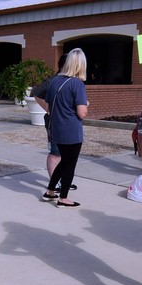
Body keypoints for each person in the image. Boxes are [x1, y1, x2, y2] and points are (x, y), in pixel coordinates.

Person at [41, 49, 88, 208]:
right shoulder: (77, 83)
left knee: (63, 162)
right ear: (81, 65)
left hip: (56, 128)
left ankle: (50, 191)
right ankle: (64, 197)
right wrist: (85, 106)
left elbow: (48, 106)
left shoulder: (55, 81)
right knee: (70, 164)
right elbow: (81, 113)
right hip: (72, 130)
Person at [33, 54, 76, 191]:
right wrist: (48, 109)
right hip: (55, 122)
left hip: (68, 122)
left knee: (66, 153)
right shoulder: (54, 81)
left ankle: (63, 180)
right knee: (56, 152)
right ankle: (54, 181)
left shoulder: (71, 81)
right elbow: (36, 92)